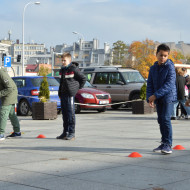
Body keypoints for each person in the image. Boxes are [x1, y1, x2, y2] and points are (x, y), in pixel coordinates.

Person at [146, 44, 177, 154]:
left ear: (168, 56)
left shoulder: (170, 67)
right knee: (160, 120)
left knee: (165, 119)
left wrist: (155, 95)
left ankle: (168, 144)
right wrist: (149, 98)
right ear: (156, 55)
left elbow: (169, 84)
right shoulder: (153, 68)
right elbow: (149, 84)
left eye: (165, 56)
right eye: (161, 55)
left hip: (168, 97)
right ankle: (163, 143)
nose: (163, 58)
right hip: (158, 97)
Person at [57, 53, 86, 140]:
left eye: (64, 60)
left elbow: (83, 79)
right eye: (62, 60)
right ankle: (65, 132)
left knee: (70, 114)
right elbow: (61, 82)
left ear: (69, 60)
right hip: (63, 94)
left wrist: (76, 88)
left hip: (70, 94)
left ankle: (71, 133)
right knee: (64, 114)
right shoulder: (62, 70)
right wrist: (60, 93)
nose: (63, 62)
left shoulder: (73, 69)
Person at [0, 67, 21, 140]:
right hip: (9, 93)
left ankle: (1, 134)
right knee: (11, 114)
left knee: (3, 113)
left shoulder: (1, 73)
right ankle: (17, 132)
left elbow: (10, 88)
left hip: (10, 95)